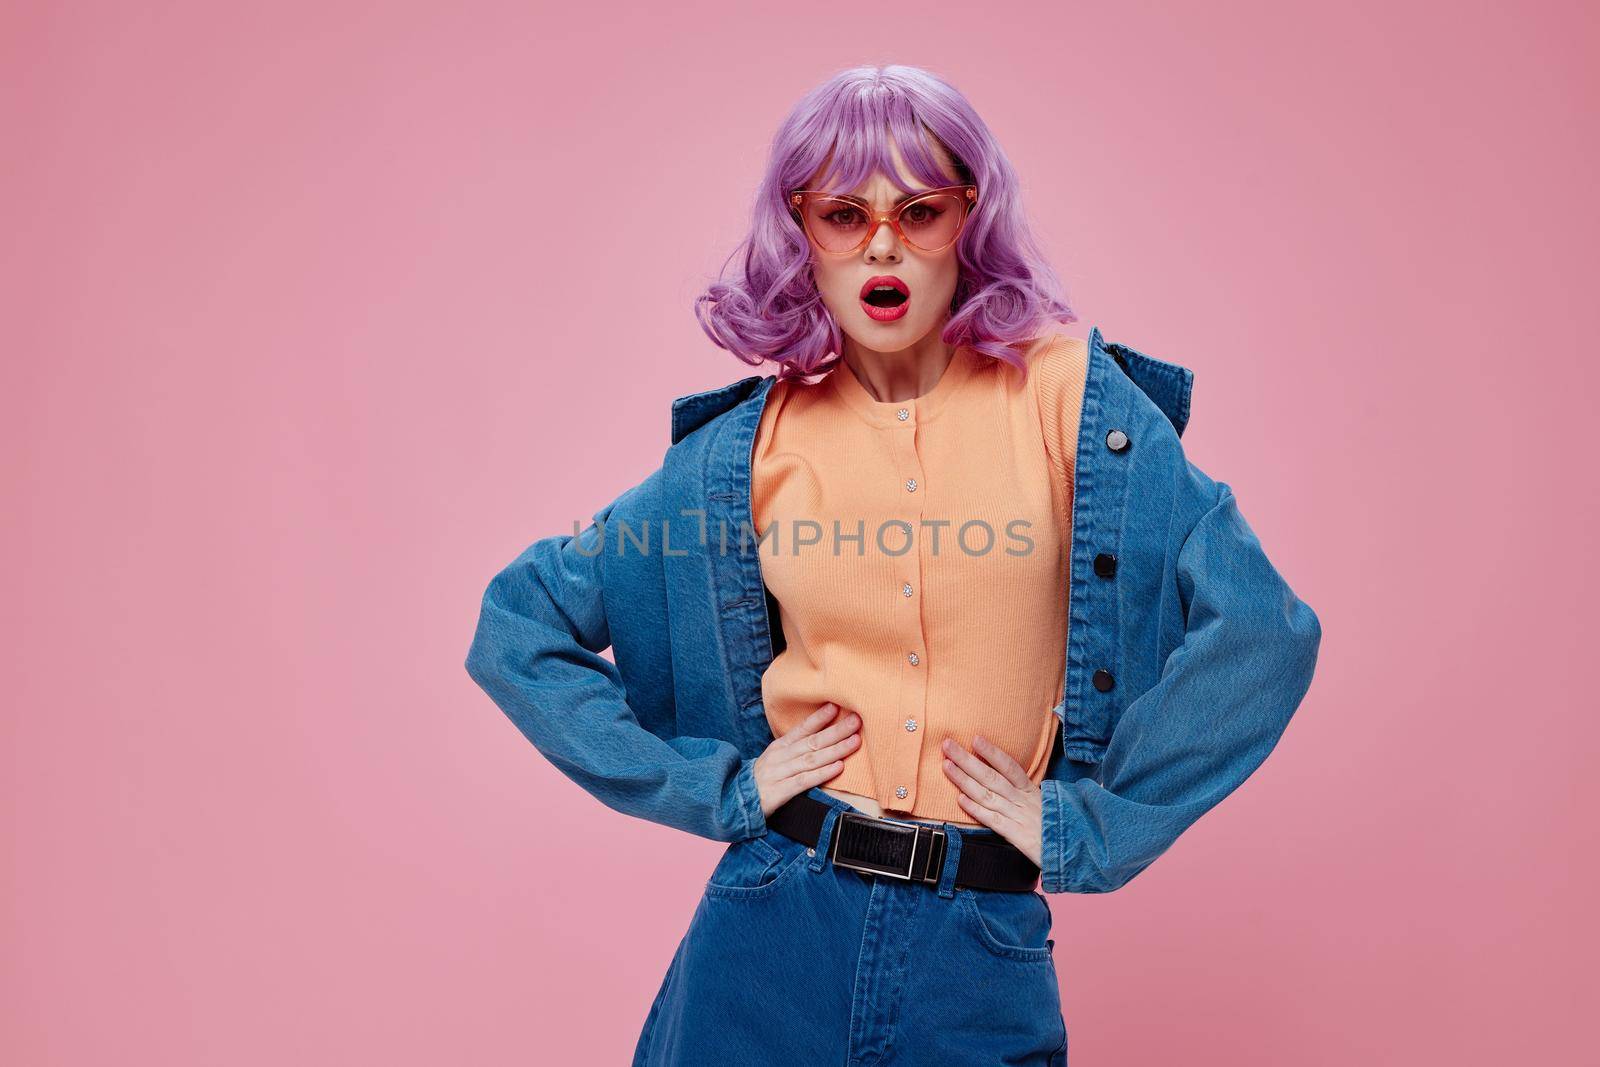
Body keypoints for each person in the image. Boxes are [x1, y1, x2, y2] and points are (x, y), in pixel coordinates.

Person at [465, 64, 1321, 1066]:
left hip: (979, 946)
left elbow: (1264, 629)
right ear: (801, 233)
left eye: (918, 210)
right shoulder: (747, 452)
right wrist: (724, 788)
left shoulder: (1071, 402)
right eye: (841, 213)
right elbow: (516, 626)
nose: (881, 243)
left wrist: (1092, 825)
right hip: (771, 931)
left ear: (971, 219)